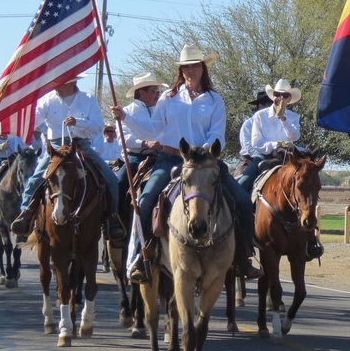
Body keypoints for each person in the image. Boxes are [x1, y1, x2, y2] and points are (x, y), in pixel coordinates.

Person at [110, 44, 261, 281]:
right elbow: (153, 128)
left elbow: (217, 132)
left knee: (241, 198)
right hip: (171, 159)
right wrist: (125, 118)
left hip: (206, 161)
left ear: (203, 68)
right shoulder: (168, 98)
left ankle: (244, 256)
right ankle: (142, 256)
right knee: (146, 198)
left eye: (194, 66)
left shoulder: (214, 100)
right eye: (186, 67)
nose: (190, 70)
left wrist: (204, 151)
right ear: (181, 70)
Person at [10, 77, 126, 241]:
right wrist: (22, 117)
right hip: (56, 148)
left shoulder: (88, 99)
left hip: (81, 146)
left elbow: (98, 126)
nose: (54, 84)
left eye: (59, 81)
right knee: (35, 179)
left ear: (71, 83)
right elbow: (34, 120)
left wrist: (78, 122)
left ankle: (112, 218)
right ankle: (26, 214)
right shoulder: (47, 100)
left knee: (111, 180)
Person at [115, 71, 167, 210]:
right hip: (136, 157)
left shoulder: (161, 110)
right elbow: (122, 138)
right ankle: (114, 220)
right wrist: (144, 143)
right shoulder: (127, 112)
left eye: (158, 91)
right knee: (119, 185)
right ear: (141, 92)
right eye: (154, 91)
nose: (158, 94)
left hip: (162, 156)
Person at [239, 79, 302, 192]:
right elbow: (256, 143)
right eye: (277, 94)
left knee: (308, 180)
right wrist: (277, 144)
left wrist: (283, 119)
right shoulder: (260, 116)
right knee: (242, 185)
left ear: (289, 99)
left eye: (284, 95)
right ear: (273, 96)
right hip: (265, 156)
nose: (280, 98)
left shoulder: (293, 117)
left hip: (288, 156)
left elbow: (295, 136)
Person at [234, 90, 271, 180]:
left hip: (272, 159)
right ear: (261, 106)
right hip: (249, 160)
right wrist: (264, 156)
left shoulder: (274, 124)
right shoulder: (248, 124)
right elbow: (249, 148)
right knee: (242, 183)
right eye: (270, 105)